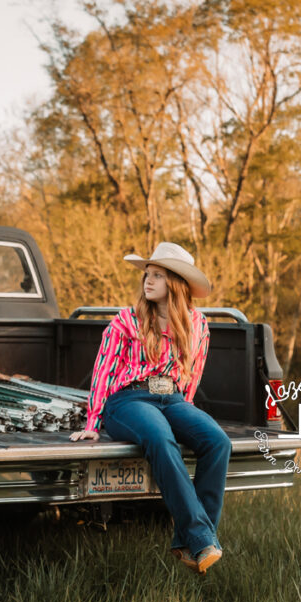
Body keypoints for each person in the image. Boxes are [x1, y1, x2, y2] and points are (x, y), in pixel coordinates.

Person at [70, 242, 231, 575]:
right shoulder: (126, 321)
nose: (148, 281)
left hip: (171, 398)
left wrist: (186, 412)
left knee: (218, 441)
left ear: (174, 283)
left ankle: (187, 541)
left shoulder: (197, 323)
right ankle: (202, 538)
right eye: (148, 274)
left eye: (157, 275)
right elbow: (103, 371)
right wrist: (93, 421)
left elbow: (193, 370)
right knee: (159, 437)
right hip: (126, 400)